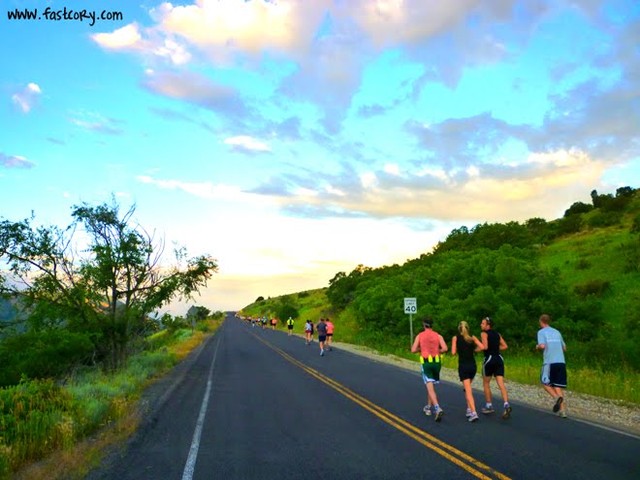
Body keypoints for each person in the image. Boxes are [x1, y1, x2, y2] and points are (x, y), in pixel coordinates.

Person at [411, 316, 448, 422]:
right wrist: (437, 350)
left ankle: (437, 408)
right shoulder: (438, 335)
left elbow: (413, 349)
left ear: (424, 325)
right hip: (437, 362)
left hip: (426, 362)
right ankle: (428, 407)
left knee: (429, 386)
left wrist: (421, 348)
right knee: (430, 386)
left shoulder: (420, 336)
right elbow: (445, 348)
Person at [451, 320, 485, 422]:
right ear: (468, 328)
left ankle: (474, 412)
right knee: (467, 388)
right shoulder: (472, 338)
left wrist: (457, 347)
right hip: (472, 366)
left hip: (463, 366)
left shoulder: (455, 338)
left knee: (468, 390)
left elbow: (453, 352)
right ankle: (469, 409)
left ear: (459, 328)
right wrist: (474, 350)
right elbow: (483, 347)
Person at [480, 316, 512, 419]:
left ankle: (489, 405)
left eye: (483, 323)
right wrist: (495, 347)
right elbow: (505, 346)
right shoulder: (497, 334)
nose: (481, 325)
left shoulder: (484, 334)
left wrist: (477, 347)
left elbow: (485, 347)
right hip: (499, 358)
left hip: (489, 358)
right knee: (501, 383)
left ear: (488, 325)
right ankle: (506, 403)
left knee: (486, 382)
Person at [536, 313, 568, 418]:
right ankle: (562, 411)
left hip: (549, 362)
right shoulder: (557, 332)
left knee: (545, 383)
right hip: (561, 361)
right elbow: (564, 348)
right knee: (557, 386)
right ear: (548, 321)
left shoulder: (541, 332)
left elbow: (543, 346)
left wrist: (537, 346)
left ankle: (556, 398)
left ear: (541, 322)